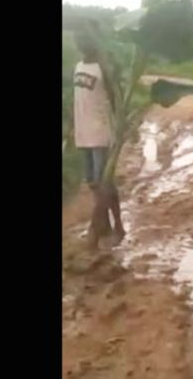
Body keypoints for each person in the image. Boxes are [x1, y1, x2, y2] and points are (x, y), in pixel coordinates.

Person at [72, 31, 125, 240]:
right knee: (92, 183)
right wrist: (70, 125)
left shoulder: (103, 68)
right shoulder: (78, 66)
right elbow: (78, 99)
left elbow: (115, 99)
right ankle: (102, 224)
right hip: (82, 131)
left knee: (105, 182)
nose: (81, 43)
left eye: (85, 39)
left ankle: (118, 226)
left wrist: (120, 126)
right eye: (80, 40)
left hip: (100, 132)